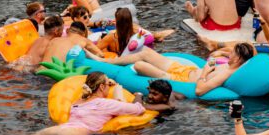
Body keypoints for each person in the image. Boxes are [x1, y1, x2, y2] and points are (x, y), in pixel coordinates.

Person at [0, 72, 145, 135]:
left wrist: (107, 83)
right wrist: (137, 94)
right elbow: (138, 109)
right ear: (103, 87)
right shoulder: (104, 104)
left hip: (57, 129)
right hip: (76, 134)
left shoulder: (78, 101)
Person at [88, 42, 254, 96]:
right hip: (184, 69)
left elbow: (200, 90)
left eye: (232, 53)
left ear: (238, 58)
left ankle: (104, 63)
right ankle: (105, 61)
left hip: (179, 79)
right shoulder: (230, 63)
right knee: (145, 51)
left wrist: (204, 72)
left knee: (139, 66)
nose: (229, 54)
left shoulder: (227, 73)